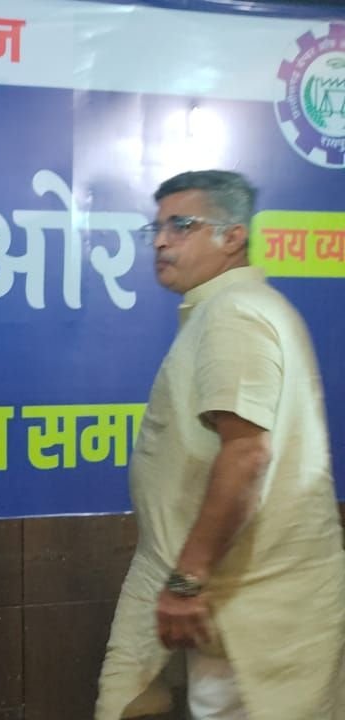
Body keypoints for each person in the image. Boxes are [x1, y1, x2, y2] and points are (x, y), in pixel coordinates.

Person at [95, 171, 345, 720]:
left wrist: (187, 581)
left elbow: (247, 454)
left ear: (233, 236)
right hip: (216, 584)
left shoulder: (235, 312)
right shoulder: (230, 308)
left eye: (181, 226)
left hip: (251, 603)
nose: (161, 242)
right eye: (157, 228)